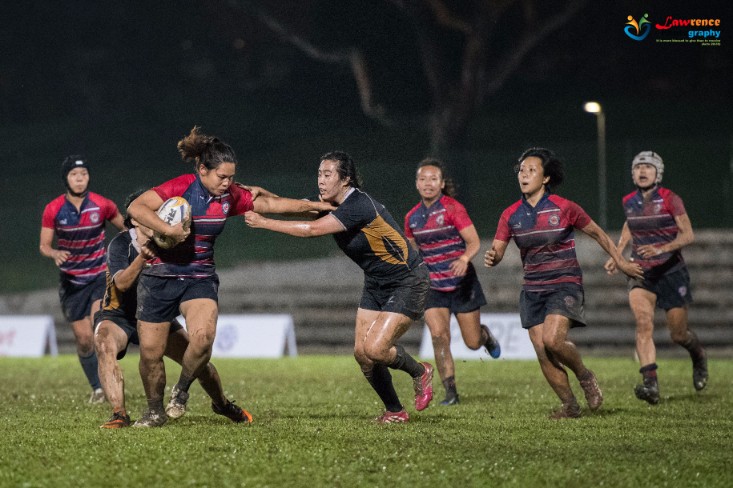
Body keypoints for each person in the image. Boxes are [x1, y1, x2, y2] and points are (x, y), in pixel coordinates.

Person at [127, 127, 334, 427]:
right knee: (150, 353)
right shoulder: (181, 186)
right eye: (221, 177)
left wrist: (315, 207)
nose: (227, 183)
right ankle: (154, 411)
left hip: (199, 277)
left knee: (203, 339)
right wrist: (168, 229)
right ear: (202, 170)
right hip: (159, 276)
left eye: (231, 177)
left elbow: (271, 205)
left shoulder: (229, 195)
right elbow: (136, 207)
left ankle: (181, 391)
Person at [245, 151, 434, 424]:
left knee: (376, 350)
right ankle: (395, 411)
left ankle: (420, 372)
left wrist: (264, 223)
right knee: (363, 355)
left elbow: (310, 230)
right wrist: (248, 195)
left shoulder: (358, 204)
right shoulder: (329, 204)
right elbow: (285, 205)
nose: (321, 180)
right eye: (319, 174)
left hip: (408, 280)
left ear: (345, 179)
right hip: (376, 282)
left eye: (327, 174)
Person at [484, 148, 643, 419]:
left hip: (564, 283)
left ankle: (585, 375)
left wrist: (622, 262)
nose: (524, 175)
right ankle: (570, 405)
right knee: (542, 350)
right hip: (532, 288)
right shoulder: (510, 214)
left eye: (531, 170)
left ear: (546, 178)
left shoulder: (564, 207)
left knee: (553, 340)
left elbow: (598, 234)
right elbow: (498, 250)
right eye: (521, 170)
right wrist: (493, 256)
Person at [95, 190, 252, 428]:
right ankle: (119, 414)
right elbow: (122, 284)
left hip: (156, 316)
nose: (158, 219)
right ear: (136, 219)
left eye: (160, 213)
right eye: (151, 214)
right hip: (120, 315)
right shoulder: (120, 244)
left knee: (198, 360)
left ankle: (221, 403)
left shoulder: (170, 243)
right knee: (103, 343)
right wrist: (142, 258)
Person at [604, 151, 707, 405]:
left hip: (672, 271)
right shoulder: (629, 201)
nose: (642, 171)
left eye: (648, 167)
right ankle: (650, 384)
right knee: (643, 323)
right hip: (642, 272)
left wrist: (661, 249)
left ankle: (698, 356)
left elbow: (688, 234)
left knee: (678, 334)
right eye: (638, 167)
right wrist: (617, 254)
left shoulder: (671, 198)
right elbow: (629, 225)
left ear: (658, 173)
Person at [404, 158, 501, 406]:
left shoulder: (452, 208)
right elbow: (412, 253)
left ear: (441, 183)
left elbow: (474, 242)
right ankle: (451, 392)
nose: (428, 183)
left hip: (462, 283)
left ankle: (485, 336)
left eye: (433, 179)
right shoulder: (412, 218)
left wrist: (464, 259)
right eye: (423, 179)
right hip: (433, 287)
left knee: (472, 342)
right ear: (416, 184)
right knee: (439, 336)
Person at [40, 155, 125, 403]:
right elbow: (44, 246)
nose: (80, 179)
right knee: (85, 339)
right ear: (66, 179)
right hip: (72, 282)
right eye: (74, 175)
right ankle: (97, 388)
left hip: (99, 276)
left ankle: (109, 383)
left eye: (84, 174)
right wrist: (54, 253)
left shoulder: (102, 205)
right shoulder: (53, 209)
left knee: (99, 331)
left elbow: (125, 229)